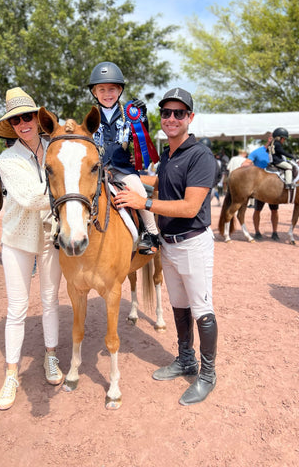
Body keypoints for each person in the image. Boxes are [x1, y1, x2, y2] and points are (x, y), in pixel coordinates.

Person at [114, 87, 218, 406]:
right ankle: (185, 359)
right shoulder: (170, 155)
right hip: (169, 245)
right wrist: (124, 177)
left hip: (193, 244)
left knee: (202, 311)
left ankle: (207, 374)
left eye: (179, 113)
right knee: (179, 306)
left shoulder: (200, 155)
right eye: (167, 113)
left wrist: (143, 200)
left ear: (190, 117)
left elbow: (188, 207)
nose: (172, 118)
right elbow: (163, 184)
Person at [0, 87, 62, 410]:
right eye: (16, 120)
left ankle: (50, 357)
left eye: (28, 116)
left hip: (50, 236)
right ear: (12, 125)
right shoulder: (7, 159)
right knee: (17, 309)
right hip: (18, 239)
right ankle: (11, 374)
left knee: (50, 301)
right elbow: (33, 197)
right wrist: (65, 186)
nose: (23, 123)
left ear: (37, 118)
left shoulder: (55, 148)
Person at [88, 61, 160, 255]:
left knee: (139, 191)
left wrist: (142, 118)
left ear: (120, 90)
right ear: (94, 92)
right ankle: (62, 231)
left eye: (112, 89)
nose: (107, 93)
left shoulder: (130, 115)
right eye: (101, 89)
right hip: (97, 170)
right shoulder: (90, 118)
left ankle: (151, 234)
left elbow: (140, 141)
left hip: (122, 170)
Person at [242, 135, 280, 240]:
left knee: (274, 211)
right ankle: (257, 232)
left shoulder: (277, 152)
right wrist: (253, 170)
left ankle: (275, 232)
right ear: (269, 139)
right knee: (257, 210)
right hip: (260, 187)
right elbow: (245, 164)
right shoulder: (257, 152)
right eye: (273, 139)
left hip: (274, 187)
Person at [200, 137, 220, 206]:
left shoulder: (196, 159)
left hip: (198, 190)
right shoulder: (214, 160)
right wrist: (213, 185)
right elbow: (219, 175)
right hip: (211, 190)